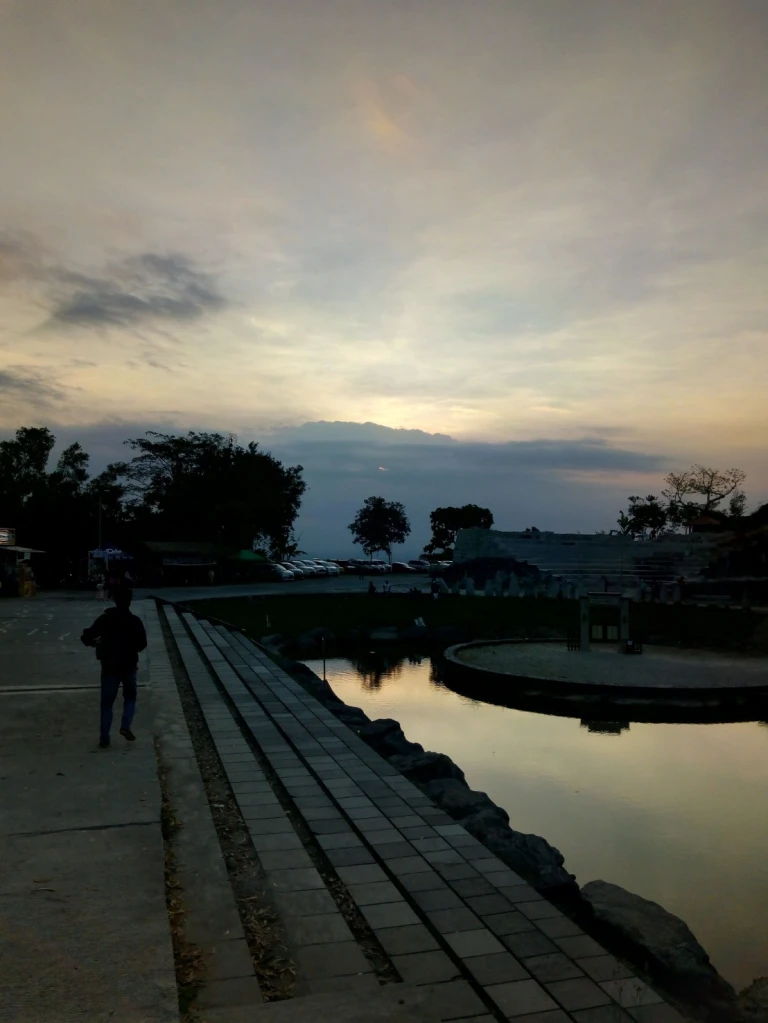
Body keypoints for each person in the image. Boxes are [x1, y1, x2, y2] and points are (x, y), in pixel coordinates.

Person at [81, 586, 147, 748]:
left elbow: (86, 636)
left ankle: (104, 736)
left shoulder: (106, 619)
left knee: (107, 703)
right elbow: (142, 644)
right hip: (129, 666)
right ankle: (125, 725)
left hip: (109, 666)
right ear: (130, 601)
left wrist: (94, 643)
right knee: (130, 697)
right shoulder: (135, 621)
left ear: (115, 600)